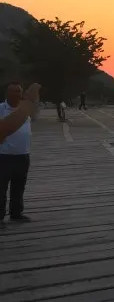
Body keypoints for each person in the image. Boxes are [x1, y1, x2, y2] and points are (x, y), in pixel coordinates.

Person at [0, 82, 41, 229]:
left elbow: (35, 115)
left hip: (23, 155)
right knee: (1, 188)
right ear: (7, 93)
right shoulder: (1, 109)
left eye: (18, 92)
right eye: (12, 91)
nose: (15, 94)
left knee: (19, 186)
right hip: (3, 156)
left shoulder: (25, 110)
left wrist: (34, 95)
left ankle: (16, 214)